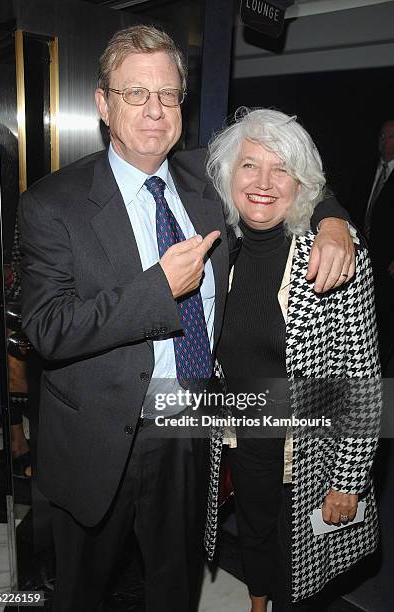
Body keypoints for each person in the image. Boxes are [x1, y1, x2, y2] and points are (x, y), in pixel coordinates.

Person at [20, 26, 354, 612]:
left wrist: (333, 222)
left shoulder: (209, 181)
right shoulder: (53, 203)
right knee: (80, 591)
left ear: (181, 102)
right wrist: (158, 291)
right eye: (135, 94)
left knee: (174, 586)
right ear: (103, 103)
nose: (155, 111)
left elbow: (284, 175)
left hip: (189, 427)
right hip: (97, 438)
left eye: (168, 95)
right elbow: (46, 328)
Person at [205, 108, 381, 612]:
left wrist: (348, 479)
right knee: (255, 534)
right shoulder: (216, 248)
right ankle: (257, 602)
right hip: (243, 438)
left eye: (281, 168)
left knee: (298, 562)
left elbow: (362, 380)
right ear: (227, 175)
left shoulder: (332, 254)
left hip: (307, 449)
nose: (263, 182)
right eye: (249, 166)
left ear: (301, 182)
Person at [362, 120, 394, 369]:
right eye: (381, 135)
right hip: (364, 261)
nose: (384, 141)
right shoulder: (363, 170)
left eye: (390, 136)